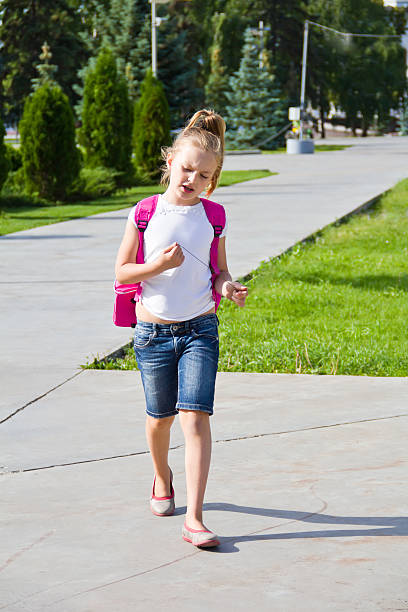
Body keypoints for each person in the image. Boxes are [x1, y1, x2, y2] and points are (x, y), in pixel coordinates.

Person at [115, 109, 248, 548]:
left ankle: (194, 517)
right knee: (160, 420)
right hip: (152, 334)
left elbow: (220, 270)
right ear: (170, 161)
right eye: (187, 168)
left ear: (213, 180)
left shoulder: (214, 216)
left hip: (199, 331)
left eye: (204, 174)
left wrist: (227, 286)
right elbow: (122, 272)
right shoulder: (144, 211)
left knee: (195, 417)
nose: (193, 178)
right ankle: (160, 475)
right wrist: (156, 265)